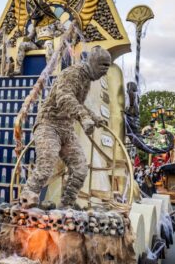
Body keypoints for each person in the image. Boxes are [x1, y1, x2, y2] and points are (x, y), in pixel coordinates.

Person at [20, 46, 111, 209]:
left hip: (66, 129)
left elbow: (78, 102)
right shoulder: (72, 73)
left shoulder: (86, 79)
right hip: (49, 124)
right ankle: (27, 201)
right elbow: (64, 98)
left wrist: (95, 118)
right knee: (46, 164)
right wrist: (84, 117)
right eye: (102, 66)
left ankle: (66, 206)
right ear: (92, 62)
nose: (104, 71)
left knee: (80, 168)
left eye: (107, 67)